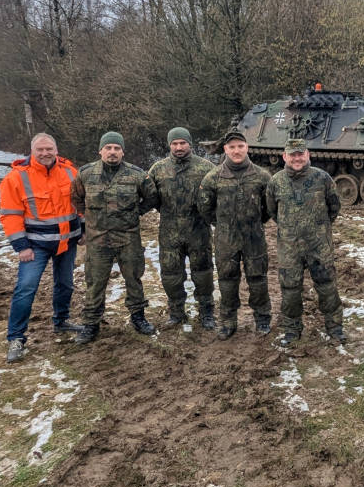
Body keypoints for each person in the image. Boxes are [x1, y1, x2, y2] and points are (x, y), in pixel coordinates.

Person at [0, 133, 84, 363]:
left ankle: (61, 321)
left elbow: (80, 205)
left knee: (65, 284)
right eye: (40, 150)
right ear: (32, 151)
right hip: (35, 246)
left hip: (67, 242)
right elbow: (10, 215)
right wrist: (21, 246)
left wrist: (83, 230)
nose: (45, 153)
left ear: (56, 150)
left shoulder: (70, 172)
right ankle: (16, 337)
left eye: (49, 149)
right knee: (26, 288)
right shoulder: (16, 178)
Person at [72, 132, 159, 343]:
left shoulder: (137, 175)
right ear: (100, 151)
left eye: (117, 148)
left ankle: (138, 317)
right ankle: (91, 323)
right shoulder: (85, 174)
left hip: (128, 238)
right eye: (108, 148)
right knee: (95, 282)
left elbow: (152, 197)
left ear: (122, 152)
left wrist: (135, 213)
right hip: (97, 239)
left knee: (133, 279)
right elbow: (76, 198)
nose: (112, 152)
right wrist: (90, 218)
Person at [265, 139, 345, 347]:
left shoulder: (322, 178)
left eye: (300, 154)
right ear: (285, 156)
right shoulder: (276, 181)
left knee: (327, 286)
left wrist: (319, 228)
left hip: (319, 245)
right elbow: (272, 211)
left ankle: (335, 328)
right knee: (290, 289)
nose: (297, 158)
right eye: (292, 154)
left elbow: (334, 207)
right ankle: (292, 329)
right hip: (289, 247)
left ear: (307, 154)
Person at [198, 130, 272, 339]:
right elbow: (205, 207)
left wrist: (255, 222)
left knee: (258, 279)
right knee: (227, 281)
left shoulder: (262, 176)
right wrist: (222, 224)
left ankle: (262, 319)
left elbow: (269, 207)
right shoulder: (213, 177)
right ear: (225, 149)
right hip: (226, 239)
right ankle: (228, 321)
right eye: (232, 147)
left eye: (240, 146)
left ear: (247, 147)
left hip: (254, 238)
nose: (236, 151)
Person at [148, 127, 216, 331]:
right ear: (170, 145)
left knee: (203, 275)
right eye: (175, 143)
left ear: (189, 144)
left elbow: (215, 197)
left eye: (182, 143)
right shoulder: (158, 169)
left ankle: (207, 313)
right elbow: (151, 197)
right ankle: (176, 313)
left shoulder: (206, 168)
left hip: (199, 231)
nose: (179, 147)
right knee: (171, 276)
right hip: (170, 232)